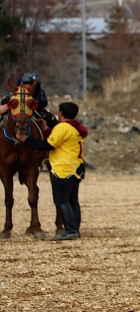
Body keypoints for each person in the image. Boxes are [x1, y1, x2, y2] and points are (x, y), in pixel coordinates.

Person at [16, 102, 87, 241]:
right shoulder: (74, 128)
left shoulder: (62, 127)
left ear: (60, 113)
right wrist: (45, 129)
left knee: (61, 200)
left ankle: (71, 230)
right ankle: (74, 229)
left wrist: (26, 140)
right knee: (73, 200)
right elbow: (58, 140)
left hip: (63, 169)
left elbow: (48, 145)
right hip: (76, 167)